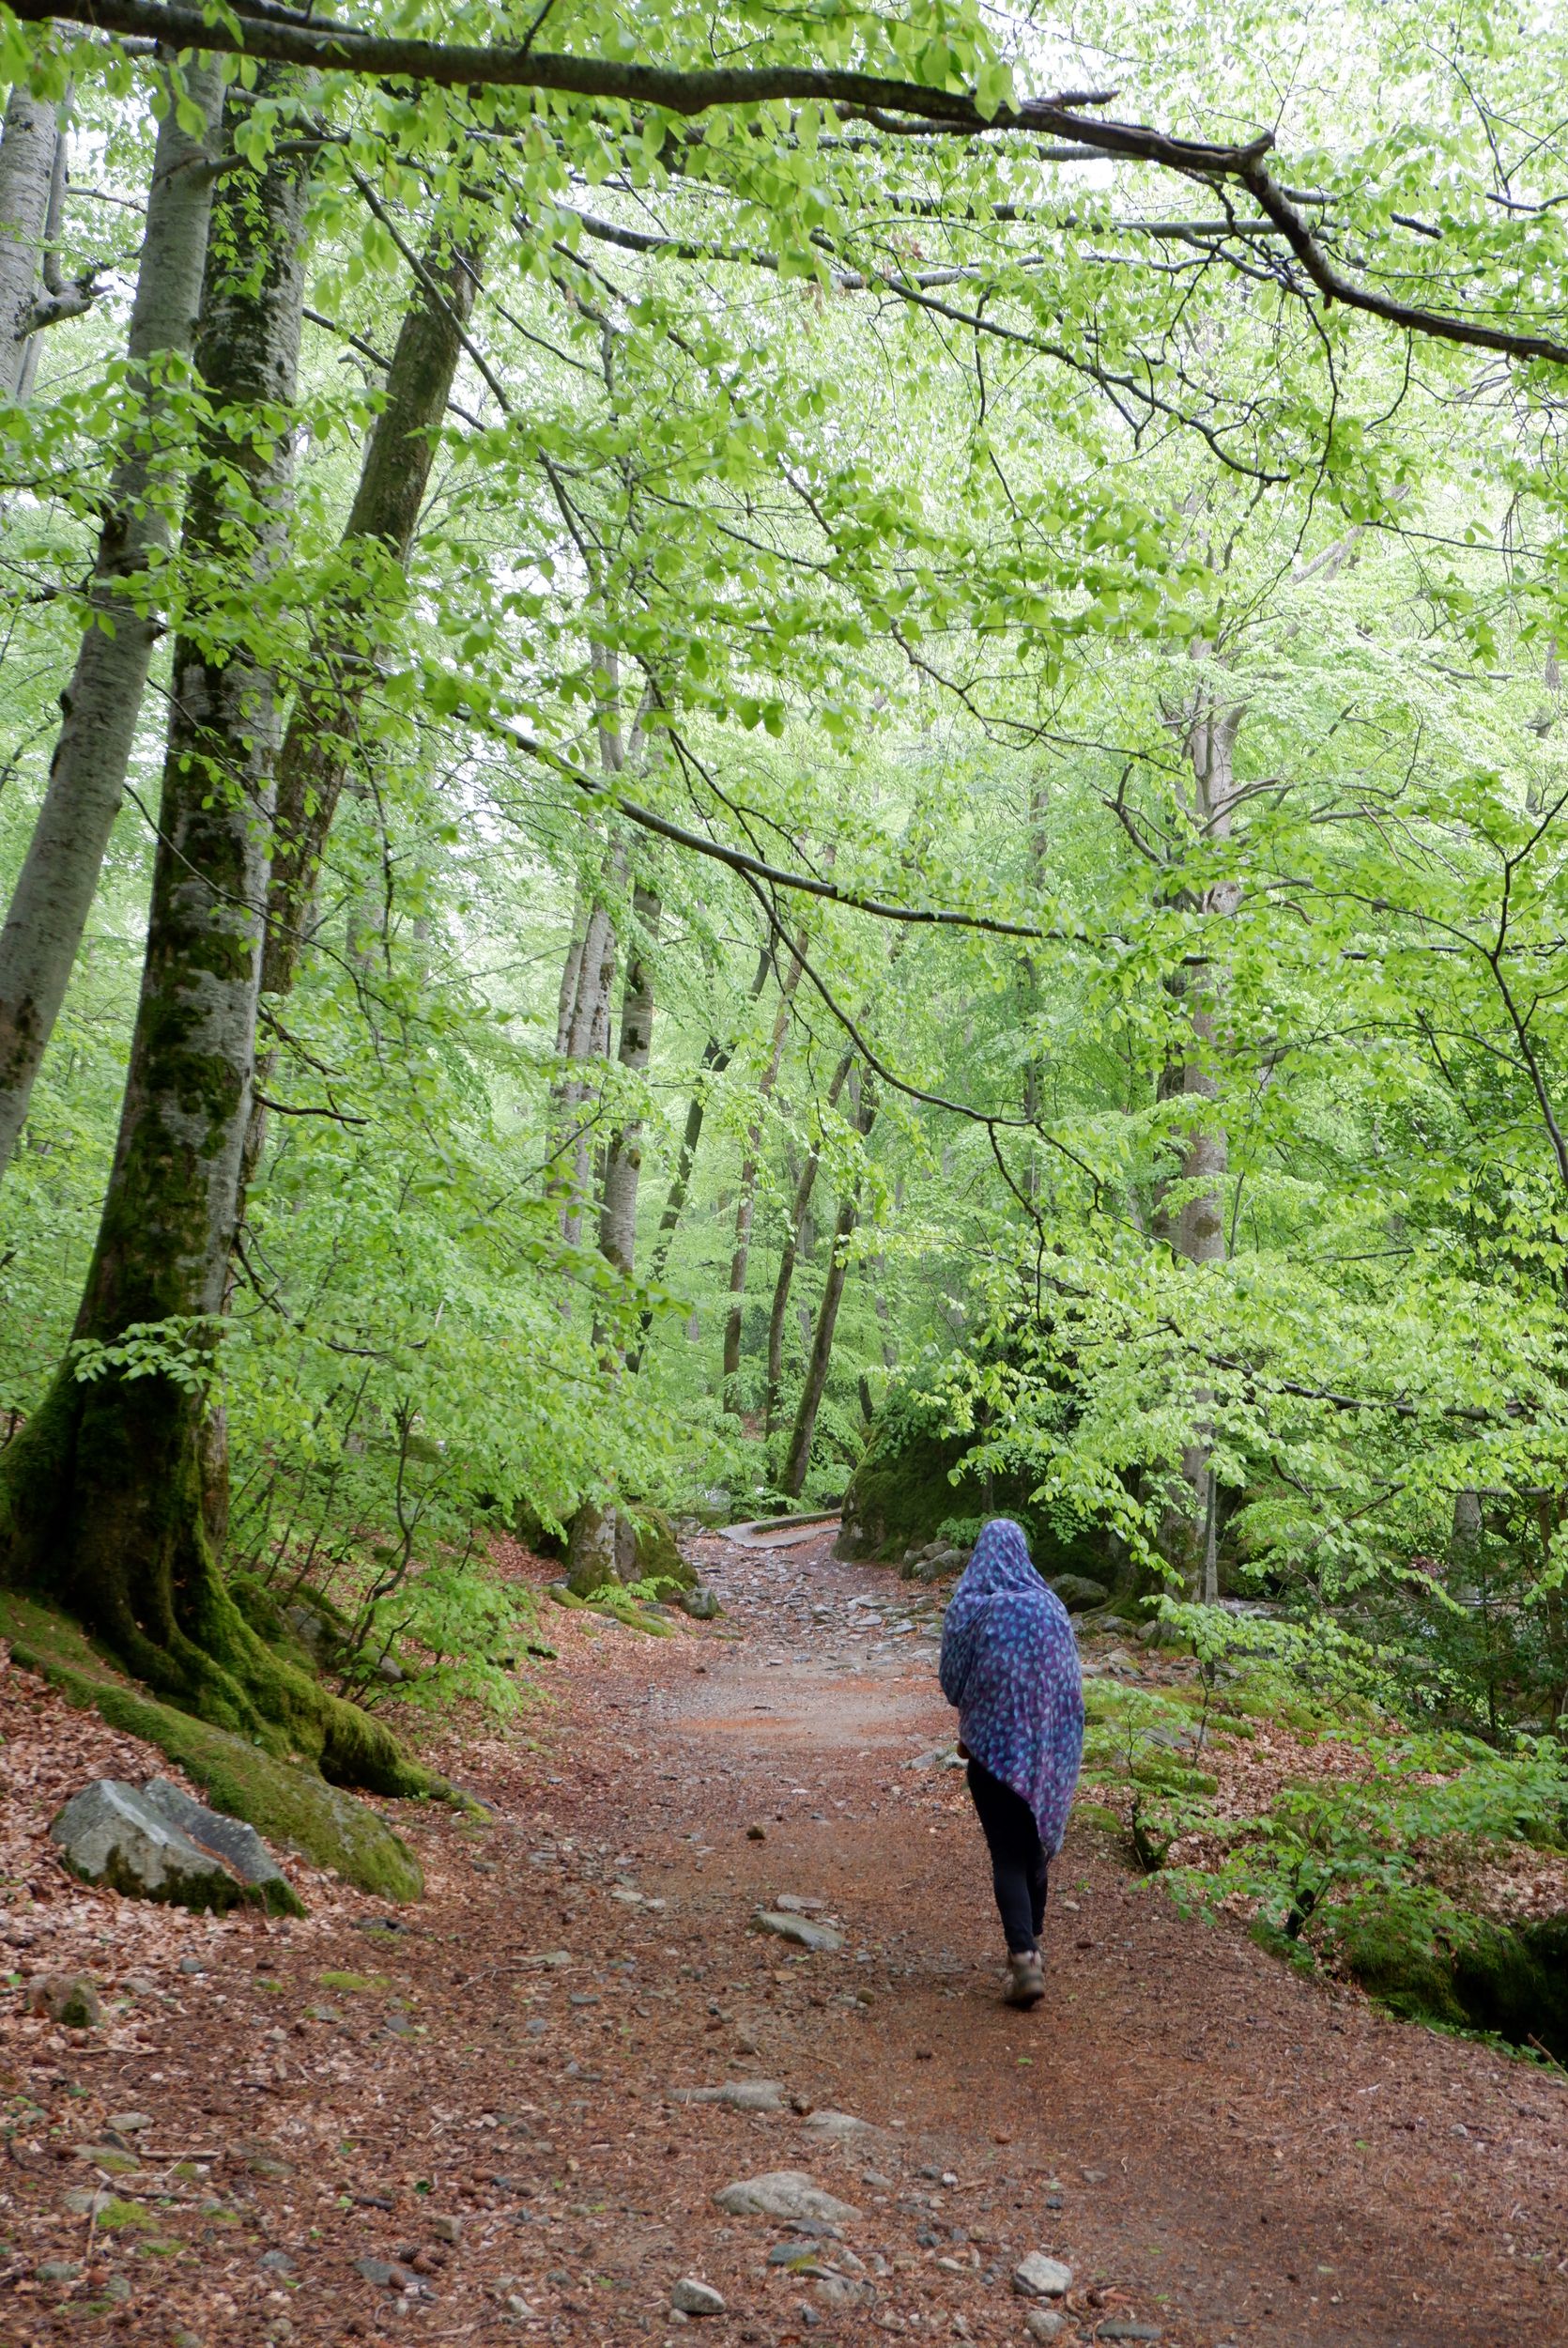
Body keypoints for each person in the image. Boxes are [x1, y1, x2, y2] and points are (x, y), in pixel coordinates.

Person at [938, 1517, 1084, 2008]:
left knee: (1006, 1853)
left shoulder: (971, 1609)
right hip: (1048, 1755)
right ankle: (1030, 1942)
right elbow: (1071, 1689)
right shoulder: (1052, 1607)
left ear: (980, 1554)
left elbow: (952, 1682)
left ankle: (1025, 1956)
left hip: (992, 1756)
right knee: (1033, 1848)